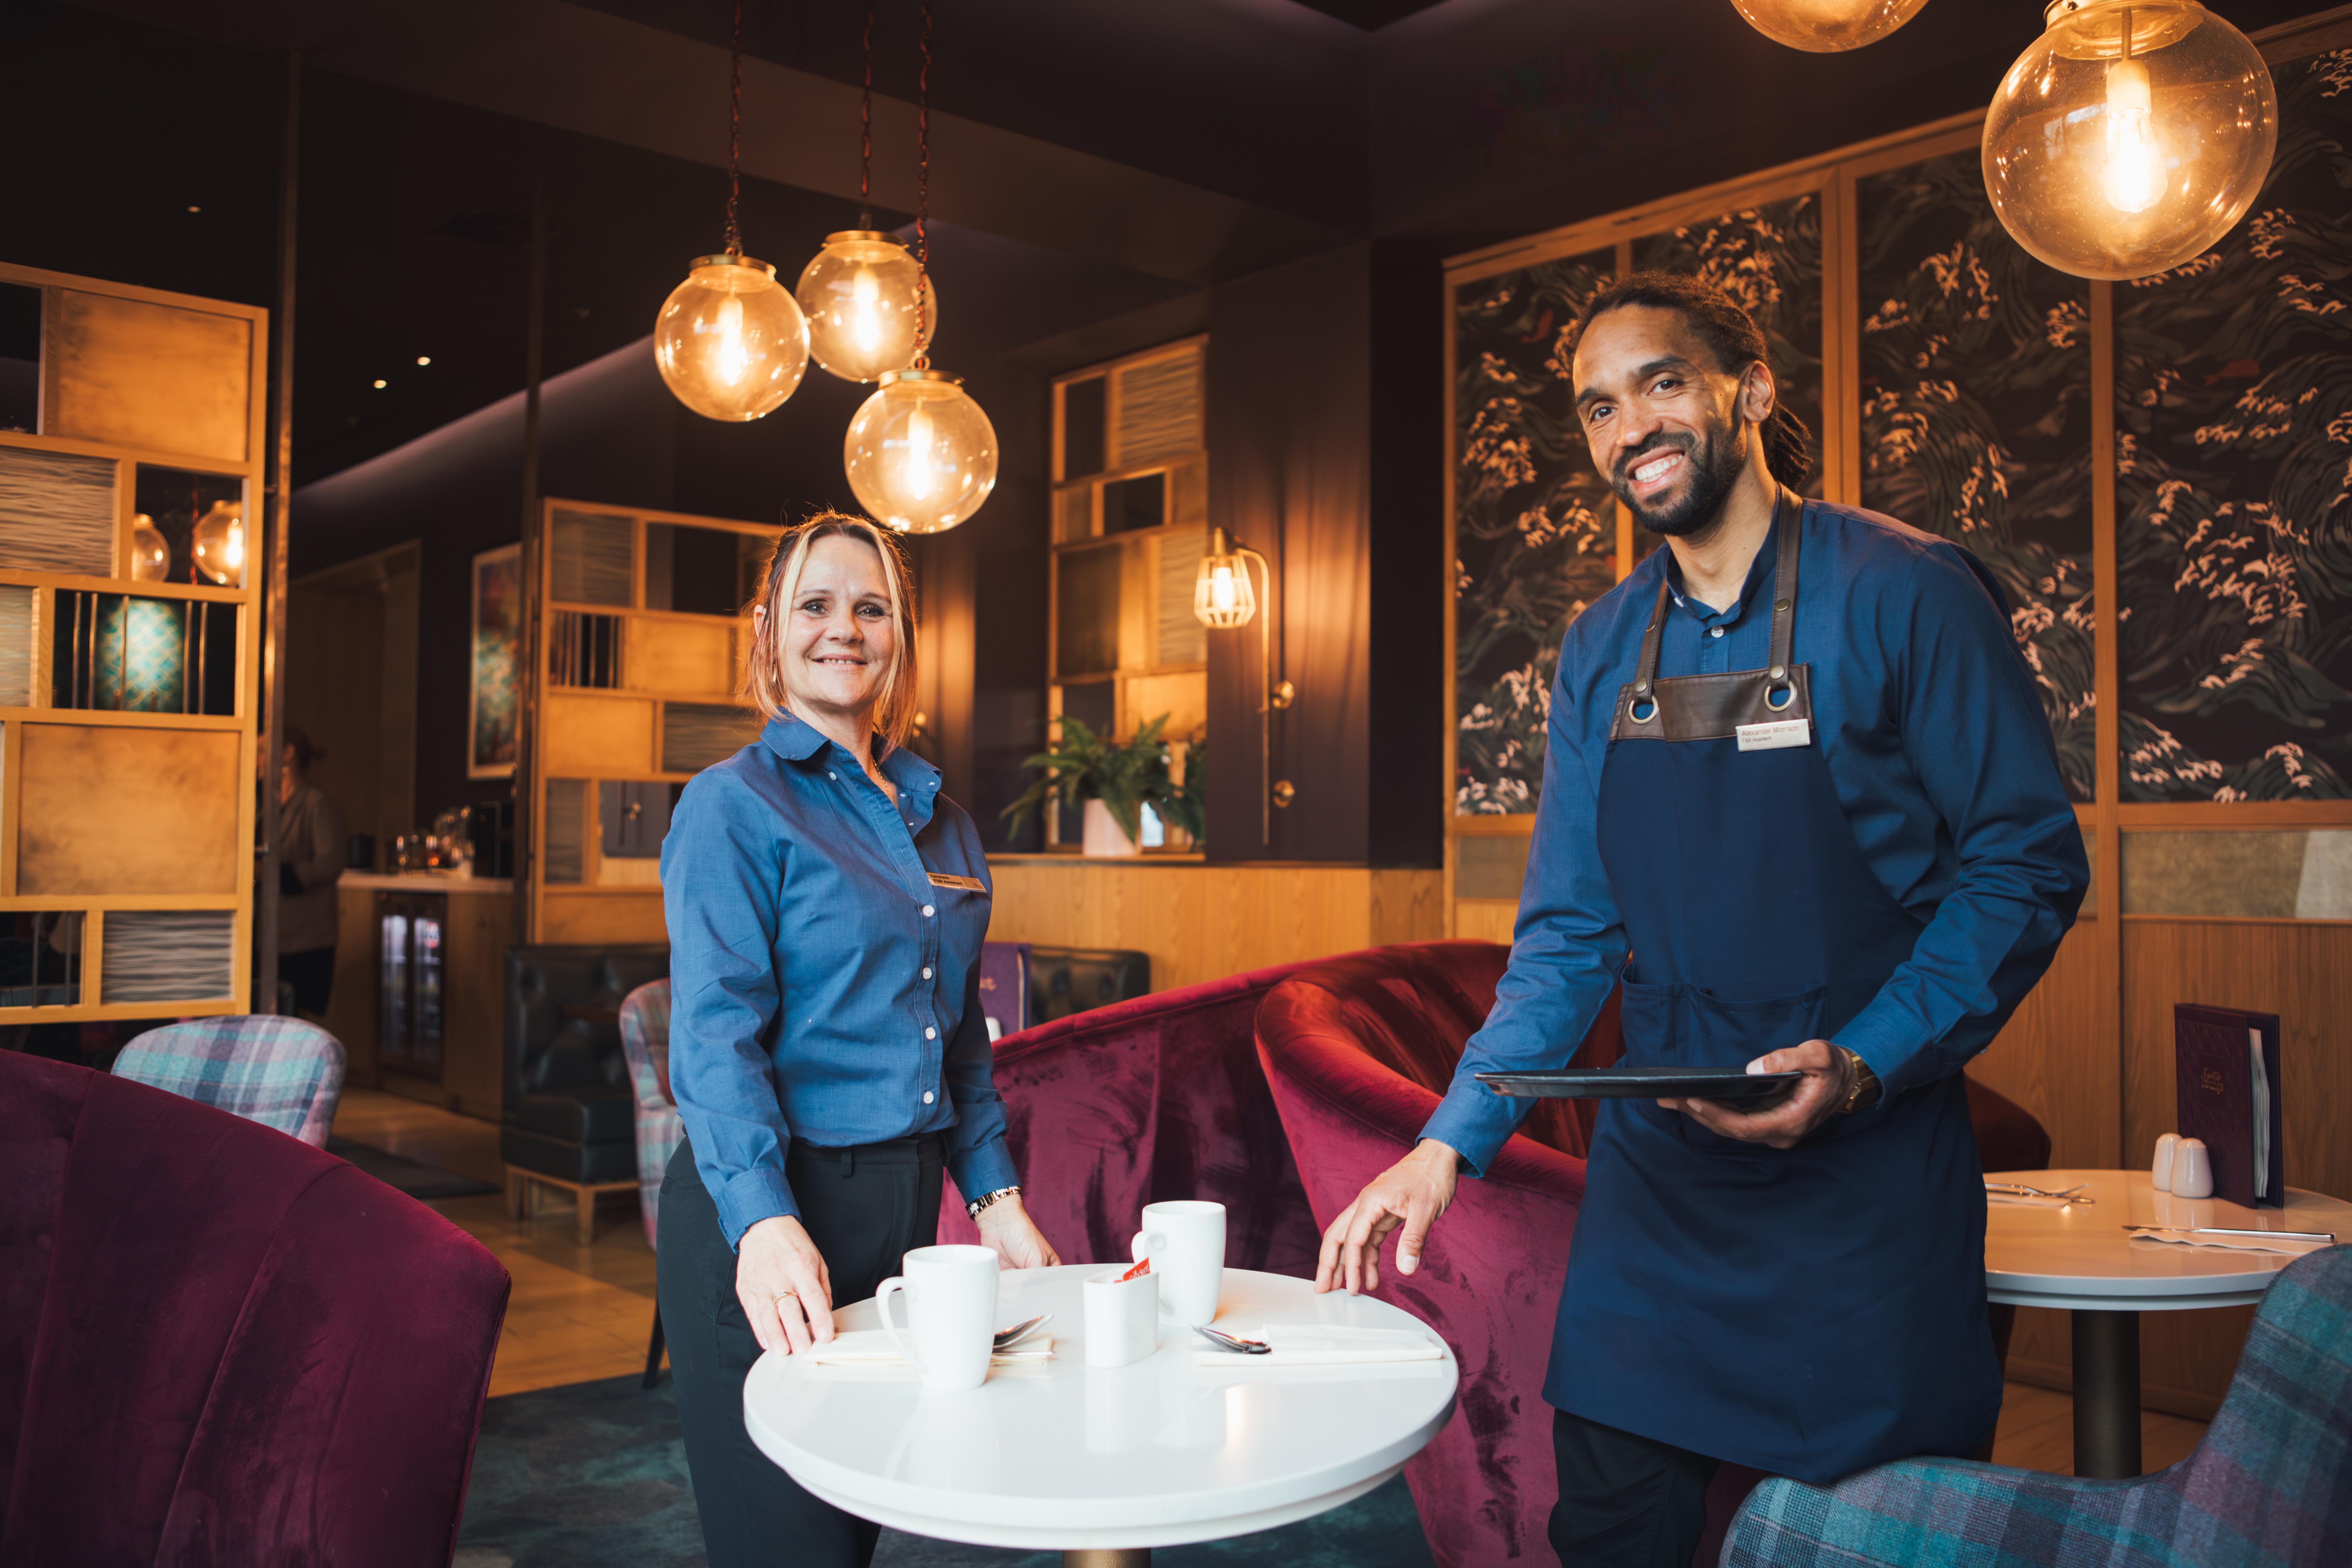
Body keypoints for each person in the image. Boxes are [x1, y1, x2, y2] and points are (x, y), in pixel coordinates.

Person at [1316, 272, 2087, 1566]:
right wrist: (1448, 1140)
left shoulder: (1904, 594)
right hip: (1661, 1187)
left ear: (1750, 392)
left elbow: (2021, 862)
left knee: (1874, 1542)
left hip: (1865, 1177)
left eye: (1660, 383)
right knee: (1612, 1530)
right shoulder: (1597, 649)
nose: (1628, 427)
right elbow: (1565, 934)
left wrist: (1863, 1060)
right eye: (1596, 408)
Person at [657, 512, 1060, 1568]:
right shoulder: (730, 804)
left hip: (902, 1219)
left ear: (901, 636)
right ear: (768, 631)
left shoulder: (944, 817)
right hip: (767, 1217)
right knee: (786, 1545)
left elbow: (959, 1037)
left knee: (853, 1528)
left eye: (870, 606)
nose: (844, 628)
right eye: (815, 604)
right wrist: (760, 1219)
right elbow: (713, 1033)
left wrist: (998, 1199)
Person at [268, 727, 348, 1017]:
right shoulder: (266, 808)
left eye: (263, 751)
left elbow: (331, 863)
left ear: (288, 753)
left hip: (307, 938)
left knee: (300, 1017)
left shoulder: (318, 805)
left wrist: (282, 875)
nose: (255, 760)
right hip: (272, 934)